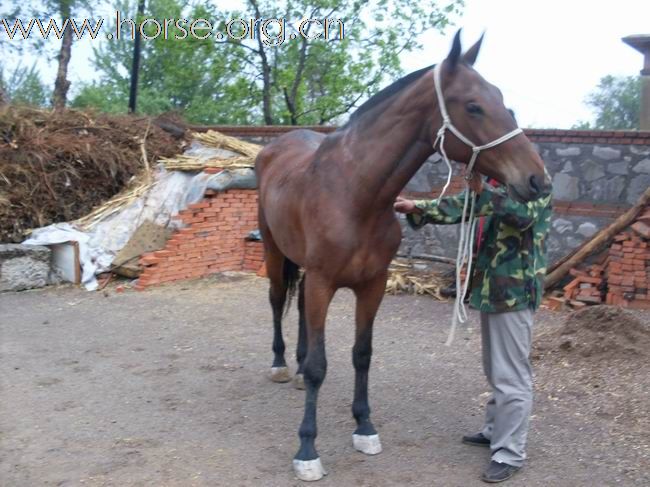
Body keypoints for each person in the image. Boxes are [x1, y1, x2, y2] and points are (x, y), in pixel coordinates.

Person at [394, 173, 552, 483]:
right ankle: (495, 431)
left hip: (516, 291)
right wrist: (417, 207)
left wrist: (484, 191)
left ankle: (510, 452)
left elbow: (521, 217)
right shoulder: (497, 183)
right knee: (495, 368)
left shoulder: (535, 180)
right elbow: (462, 205)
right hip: (493, 289)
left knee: (512, 375)